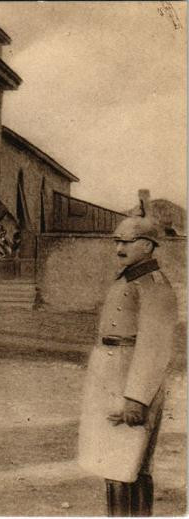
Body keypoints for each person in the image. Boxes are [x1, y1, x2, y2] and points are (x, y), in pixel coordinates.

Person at [77, 213, 177, 516]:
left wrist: (137, 397)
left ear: (147, 246)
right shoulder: (129, 277)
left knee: (127, 466)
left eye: (127, 242)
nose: (119, 248)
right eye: (116, 241)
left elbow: (155, 346)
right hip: (111, 376)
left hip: (129, 380)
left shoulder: (153, 284)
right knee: (116, 466)